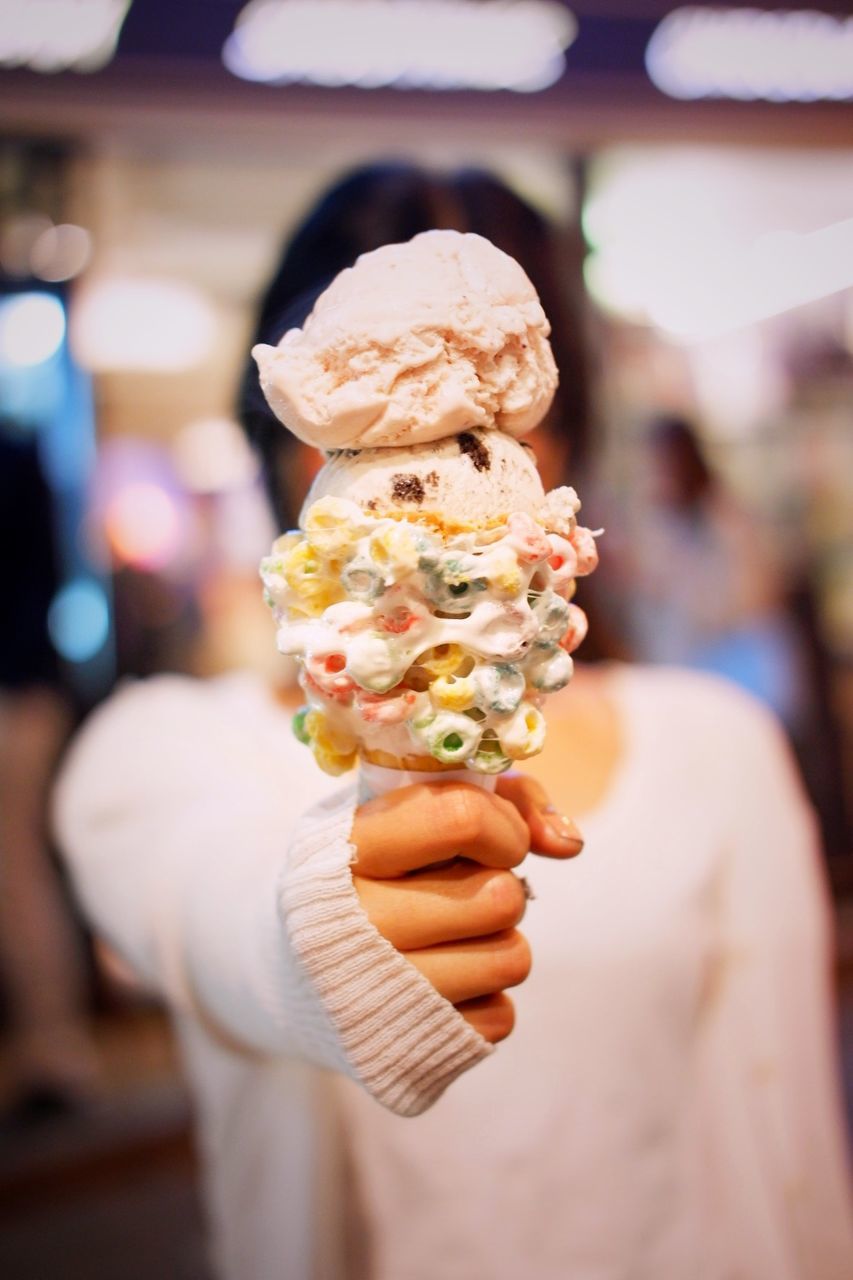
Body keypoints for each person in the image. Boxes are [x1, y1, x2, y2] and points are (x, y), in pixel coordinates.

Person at [53, 165, 853, 1280]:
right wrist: (322, 944)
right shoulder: (161, 750)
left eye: (487, 424)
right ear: (288, 440)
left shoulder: (717, 744)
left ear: (555, 444)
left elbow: (798, 1150)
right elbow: (214, 914)